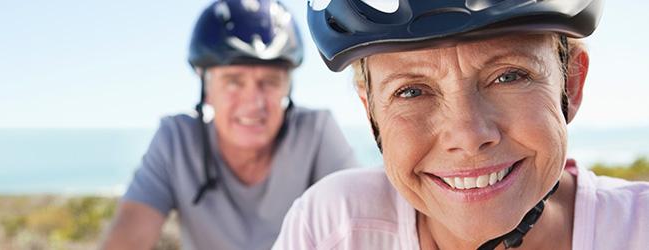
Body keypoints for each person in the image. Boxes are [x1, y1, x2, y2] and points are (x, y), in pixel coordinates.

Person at [274, 0, 649, 249]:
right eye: (411, 92)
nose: (468, 136)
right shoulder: (331, 229)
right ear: (370, 111)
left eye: (509, 77)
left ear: (571, 83)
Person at [100, 0, 360, 249]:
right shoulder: (176, 139)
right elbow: (129, 234)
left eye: (270, 81)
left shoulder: (315, 133)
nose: (253, 101)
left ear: (287, 87)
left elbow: (358, 227)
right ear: (206, 88)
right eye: (233, 81)